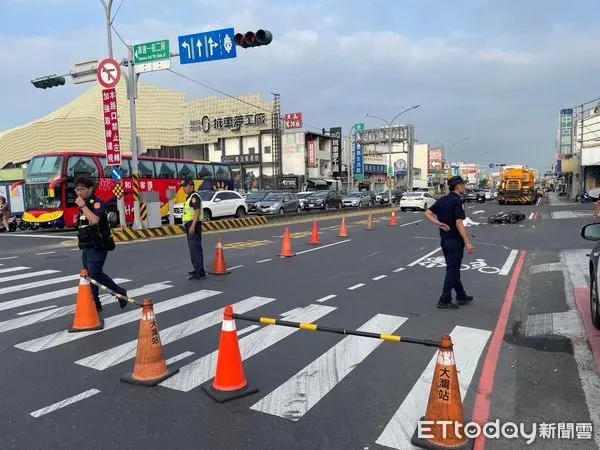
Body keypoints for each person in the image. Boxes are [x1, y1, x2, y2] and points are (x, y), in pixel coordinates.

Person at [75, 176, 128, 311]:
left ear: (90, 189)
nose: (79, 192)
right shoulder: (84, 203)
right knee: (88, 275)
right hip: (87, 245)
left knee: (95, 273)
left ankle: (119, 292)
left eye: (82, 189)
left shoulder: (96, 202)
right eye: (77, 189)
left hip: (98, 244)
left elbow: (94, 220)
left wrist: (82, 206)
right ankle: (95, 303)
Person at [425, 176, 475, 309]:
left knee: (453, 268)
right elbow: (459, 222)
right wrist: (468, 241)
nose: (464, 186)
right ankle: (444, 299)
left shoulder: (442, 200)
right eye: (463, 184)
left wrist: (439, 224)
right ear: (458, 186)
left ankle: (461, 295)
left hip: (445, 240)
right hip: (455, 241)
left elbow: (428, 213)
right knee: (453, 270)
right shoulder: (457, 201)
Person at [181, 179, 206, 280]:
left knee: (195, 249)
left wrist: (192, 226)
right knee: (193, 249)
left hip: (193, 225)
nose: (183, 188)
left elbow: (197, 212)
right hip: (191, 224)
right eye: (183, 186)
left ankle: (199, 271)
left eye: (185, 186)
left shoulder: (194, 197)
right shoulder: (190, 197)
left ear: (191, 186)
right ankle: (197, 269)